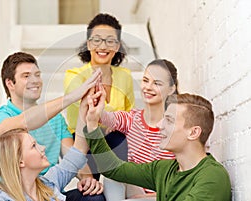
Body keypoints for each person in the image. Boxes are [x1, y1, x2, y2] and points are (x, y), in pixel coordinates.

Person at [0, 52, 105, 200]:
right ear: (10, 83)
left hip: (44, 187)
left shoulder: (51, 180)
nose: (35, 81)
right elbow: (25, 121)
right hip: (10, 188)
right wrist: (73, 96)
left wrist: (87, 179)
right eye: (26, 76)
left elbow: (74, 154)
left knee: (93, 195)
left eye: (37, 75)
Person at [80, 87, 232, 201]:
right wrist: (92, 123)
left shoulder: (212, 176)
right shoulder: (164, 169)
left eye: (169, 120)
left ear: (193, 132)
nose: (160, 125)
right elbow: (113, 170)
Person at [64, 13, 135, 178]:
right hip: (83, 138)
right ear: (89, 44)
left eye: (110, 41)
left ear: (117, 46)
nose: (103, 46)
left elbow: (131, 114)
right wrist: (112, 119)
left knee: (120, 141)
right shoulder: (73, 75)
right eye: (97, 40)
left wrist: (115, 121)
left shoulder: (124, 75)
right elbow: (88, 108)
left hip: (114, 139)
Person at [97, 59, 178, 200]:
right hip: (135, 190)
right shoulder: (131, 119)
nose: (148, 87)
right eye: (146, 80)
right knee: (111, 175)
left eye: (157, 83)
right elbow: (101, 117)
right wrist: (98, 99)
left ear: (171, 89)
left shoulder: (176, 126)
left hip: (163, 194)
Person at [0, 128, 101, 201]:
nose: (43, 148)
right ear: (20, 161)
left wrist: (87, 112)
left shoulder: (49, 183)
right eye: (34, 146)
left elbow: (78, 151)